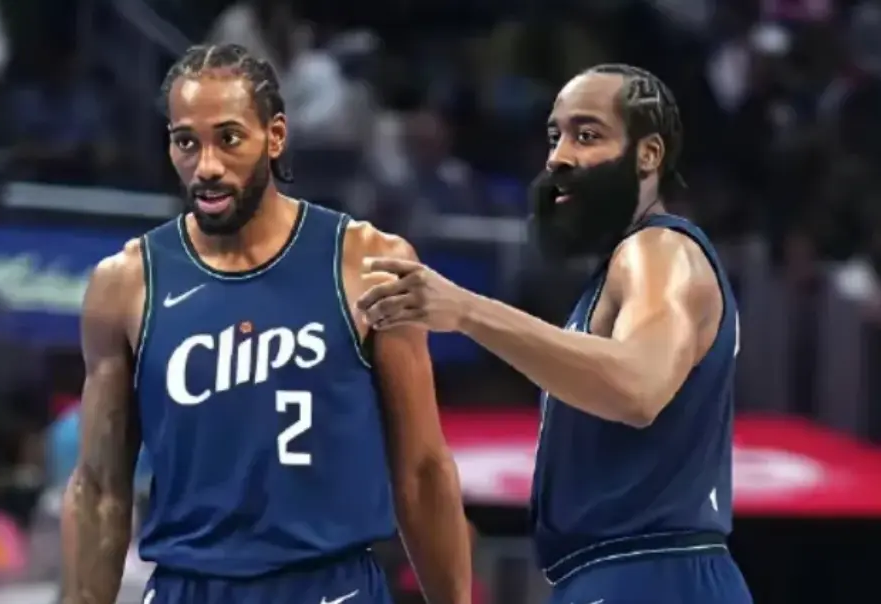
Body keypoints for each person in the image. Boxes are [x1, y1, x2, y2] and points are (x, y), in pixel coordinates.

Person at [60, 43, 472, 604]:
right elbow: (99, 487)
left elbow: (421, 470)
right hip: (190, 586)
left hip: (331, 584)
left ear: (275, 136)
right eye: (186, 142)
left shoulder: (368, 262)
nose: (207, 165)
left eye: (228, 138)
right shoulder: (126, 282)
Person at [357, 64, 754, 603]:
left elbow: (638, 387)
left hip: (652, 573)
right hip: (617, 573)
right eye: (555, 136)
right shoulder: (618, 271)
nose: (559, 157)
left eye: (587, 135)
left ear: (648, 154)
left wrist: (466, 310)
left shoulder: (659, 250)